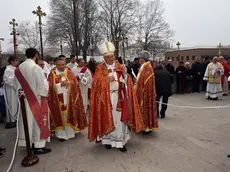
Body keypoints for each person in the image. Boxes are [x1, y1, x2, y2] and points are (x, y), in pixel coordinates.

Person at [88, 41, 144, 152]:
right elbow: (95, 83)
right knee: (108, 119)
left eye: (112, 56)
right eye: (108, 57)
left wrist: (125, 74)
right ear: (104, 57)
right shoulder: (100, 68)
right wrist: (106, 80)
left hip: (119, 97)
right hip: (106, 99)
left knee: (119, 120)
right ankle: (108, 141)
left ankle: (120, 142)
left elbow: (127, 81)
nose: (110, 59)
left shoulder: (120, 66)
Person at [14, 48, 51, 155]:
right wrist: (46, 83)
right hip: (37, 100)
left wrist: (23, 93)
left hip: (24, 100)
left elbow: (15, 85)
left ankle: (29, 143)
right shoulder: (36, 68)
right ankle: (38, 146)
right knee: (38, 122)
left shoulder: (18, 68)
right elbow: (42, 87)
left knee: (28, 123)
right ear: (36, 55)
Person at [47, 56, 87, 142]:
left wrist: (68, 83)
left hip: (69, 99)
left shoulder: (68, 71)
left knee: (69, 114)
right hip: (57, 100)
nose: (62, 67)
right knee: (60, 116)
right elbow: (49, 86)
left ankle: (71, 132)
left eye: (63, 65)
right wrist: (58, 85)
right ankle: (61, 135)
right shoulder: (52, 73)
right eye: (59, 65)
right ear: (56, 65)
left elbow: (74, 82)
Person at [135, 50, 159, 134]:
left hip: (145, 94)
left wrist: (142, 90)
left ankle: (147, 127)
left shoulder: (148, 68)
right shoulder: (143, 67)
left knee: (145, 110)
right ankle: (142, 126)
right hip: (141, 92)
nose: (139, 59)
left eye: (140, 58)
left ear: (143, 58)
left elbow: (148, 84)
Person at [3, 56, 19, 129]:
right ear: (11, 61)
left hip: (16, 89)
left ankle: (16, 119)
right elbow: (6, 80)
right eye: (15, 60)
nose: (17, 62)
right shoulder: (8, 69)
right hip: (10, 89)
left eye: (17, 60)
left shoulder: (16, 69)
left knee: (16, 103)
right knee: (12, 104)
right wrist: (15, 79)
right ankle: (12, 120)